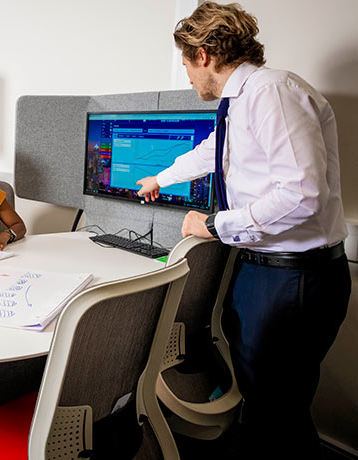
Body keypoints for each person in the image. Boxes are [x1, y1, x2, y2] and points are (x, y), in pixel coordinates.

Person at [135, 3, 349, 458]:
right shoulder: (242, 100)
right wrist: (161, 178)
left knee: (278, 409)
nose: (188, 77)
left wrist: (213, 224)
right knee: (270, 401)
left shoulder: (273, 92)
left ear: (205, 54)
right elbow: (212, 153)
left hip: (295, 278)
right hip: (268, 272)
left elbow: (301, 195)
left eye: (186, 64)